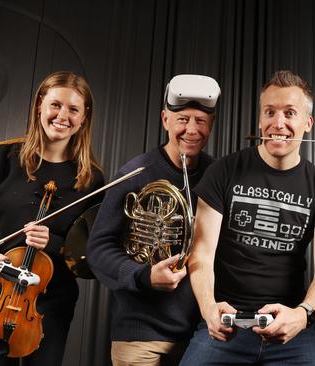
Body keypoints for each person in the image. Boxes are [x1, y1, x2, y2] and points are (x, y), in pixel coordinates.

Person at [180, 70, 315, 365]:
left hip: (292, 327)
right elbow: (201, 253)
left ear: (307, 123)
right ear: (259, 120)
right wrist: (208, 308)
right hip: (224, 321)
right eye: (269, 112)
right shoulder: (223, 172)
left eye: (290, 113)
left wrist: (302, 315)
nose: (277, 123)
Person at [0, 71, 105, 366]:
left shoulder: (92, 180)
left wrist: (56, 243)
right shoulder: (1, 157)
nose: (63, 115)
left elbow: (92, 253)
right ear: (40, 105)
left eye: (74, 109)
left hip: (50, 299)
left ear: (84, 116)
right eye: (55, 105)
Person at [86, 74, 220, 366]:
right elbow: (98, 249)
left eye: (201, 121)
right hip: (139, 335)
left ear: (211, 124)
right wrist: (144, 275)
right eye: (183, 119)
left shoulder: (216, 176)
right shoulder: (135, 173)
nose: (192, 130)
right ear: (165, 119)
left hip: (200, 335)